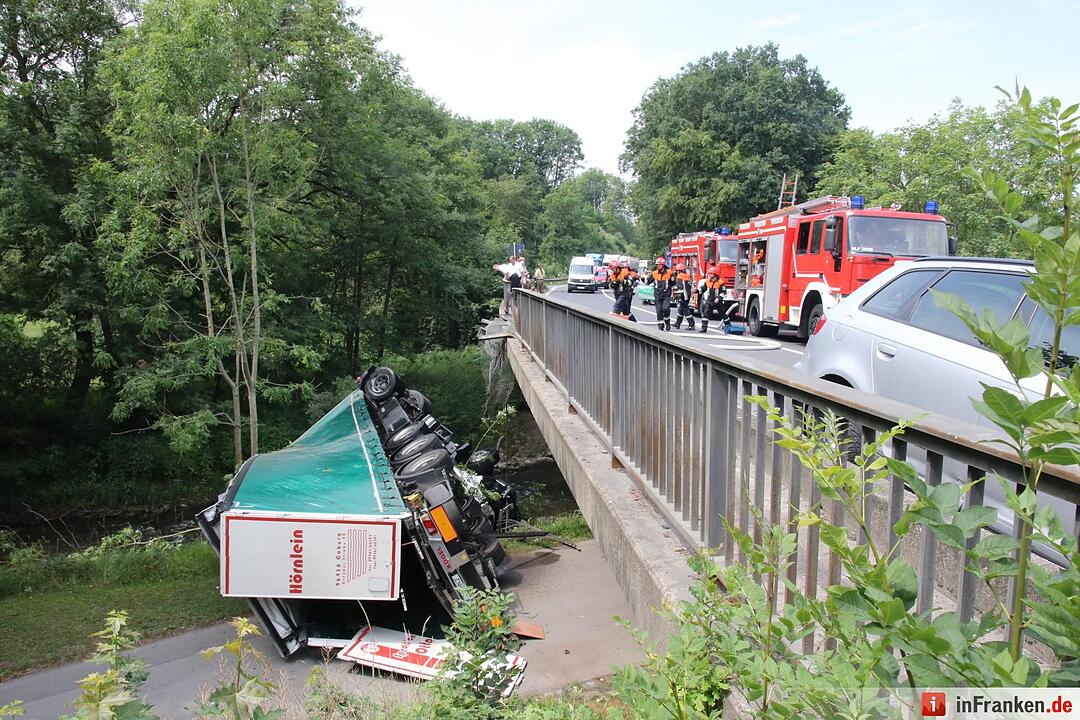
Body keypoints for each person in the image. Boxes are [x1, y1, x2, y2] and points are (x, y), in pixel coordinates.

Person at [645, 256, 674, 331]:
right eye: (657, 265)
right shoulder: (654, 273)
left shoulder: (669, 273)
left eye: (659, 264)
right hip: (657, 295)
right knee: (659, 310)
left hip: (666, 294)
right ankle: (660, 325)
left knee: (666, 308)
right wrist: (645, 279)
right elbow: (648, 281)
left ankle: (667, 322)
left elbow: (673, 282)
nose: (658, 266)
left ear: (663, 265)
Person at [698, 265, 725, 333]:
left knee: (723, 314)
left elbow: (723, 292)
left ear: (716, 274)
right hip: (709, 301)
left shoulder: (720, 282)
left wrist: (719, 298)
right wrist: (697, 291)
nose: (710, 275)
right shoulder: (707, 281)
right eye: (709, 274)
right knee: (706, 314)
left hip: (717, 302)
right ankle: (704, 328)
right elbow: (703, 289)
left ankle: (728, 325)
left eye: (711, 274)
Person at [672, 261, 695, 331]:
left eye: (677, 271)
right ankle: (677, 323)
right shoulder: (687, 276)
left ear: (679, 271)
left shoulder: (679, 276)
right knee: (681, 309)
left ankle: (692, 324)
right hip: (687, 294)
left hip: (683, 295)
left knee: (685, 310)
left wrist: (677, 296)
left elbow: (680, 287)